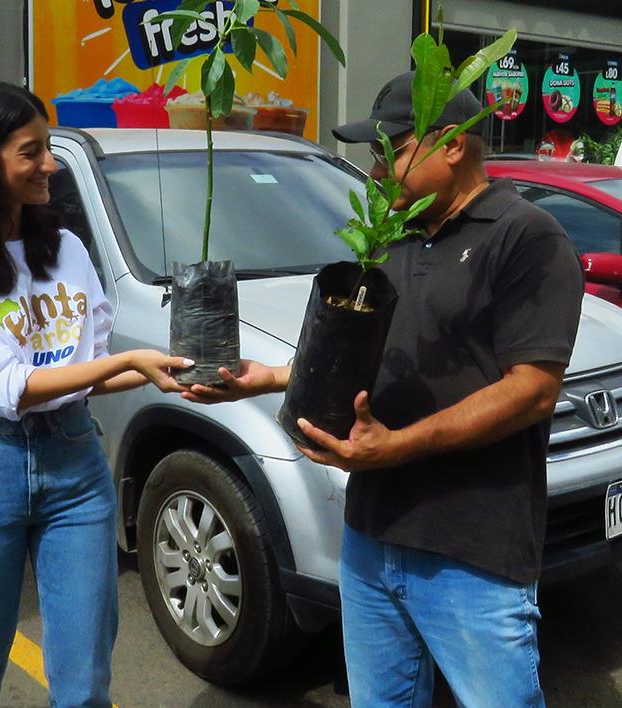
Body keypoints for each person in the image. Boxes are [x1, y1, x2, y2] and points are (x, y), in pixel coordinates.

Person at [187, 72, 583, 707]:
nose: (376, 169)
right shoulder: (392, 239)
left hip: (470, 552)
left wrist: (397, 446)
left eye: (391, 149)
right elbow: (374, 356)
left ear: (452, 145)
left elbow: (533, 389)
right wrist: (271, 377)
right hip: (371, 538)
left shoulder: (525, 236)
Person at [0, 82, 191, 707]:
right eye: (31, 152)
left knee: (85, 684)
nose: (51, 166)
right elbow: (11, 386)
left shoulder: (64, 249)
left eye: (48, 149)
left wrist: (157, 370)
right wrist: (126, 360)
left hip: (74, 465)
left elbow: (87, 368)